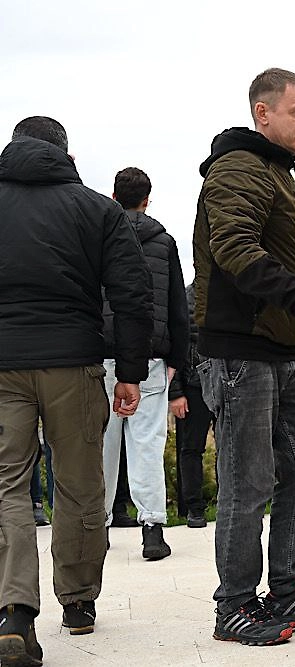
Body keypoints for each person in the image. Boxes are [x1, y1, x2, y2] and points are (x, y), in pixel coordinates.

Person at [193, 68, 295, 646]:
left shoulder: (281, 171)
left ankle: (286, 588)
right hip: (239, 352)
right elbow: (235, 248)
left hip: (282, 347)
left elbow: (282, 253)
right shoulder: (239, 167)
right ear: (263, 113)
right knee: (248, 481)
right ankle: (234, 604)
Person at [0, 116, 153, 660]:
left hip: (2, 364)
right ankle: (78, 601)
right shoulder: (97, 208)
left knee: (6, 487)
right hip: (73, 362)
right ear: (64, 152)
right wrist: (131, 372)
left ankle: (15, 611)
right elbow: (133, 297)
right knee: (80, 483)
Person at [102, 167, 189, 561]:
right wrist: (177, 359)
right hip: (151, 355)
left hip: (103, 353)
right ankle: (152, 529)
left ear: (114, 196)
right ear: (147, 199)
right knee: (148, 445)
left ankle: (98, 527)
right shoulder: (164, 241)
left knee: (100, 446)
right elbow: (176, 306)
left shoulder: (98, 235)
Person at [168, 283, 215, 528]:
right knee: (191, 448)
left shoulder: (233, 291)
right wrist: (175, 392)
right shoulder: (186, 295)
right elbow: (176, 344)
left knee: (232, 448)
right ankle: (194, 508)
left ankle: (231, 503)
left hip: (228, 381)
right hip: (193, 385)